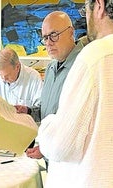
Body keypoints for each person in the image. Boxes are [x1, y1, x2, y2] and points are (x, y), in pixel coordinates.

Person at [38, 0, 113, 187]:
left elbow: (61, 145)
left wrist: (46, 125)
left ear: (99, 6)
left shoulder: (95, 56)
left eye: (84, 10)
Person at [25, 11, 88, 166]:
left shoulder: (83, 65)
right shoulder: (51, 67)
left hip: (71, 161)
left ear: (71, 32)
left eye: (54, 34)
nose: (48, 42)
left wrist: (46, 148)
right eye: (45, 37)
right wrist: (28, 111)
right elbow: (49, 110)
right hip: (51, 155)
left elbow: (78, 124)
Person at [0, 48, 43, 147]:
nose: (3, 79)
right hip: (1, 132)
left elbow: (40, 110)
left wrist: (27, 110)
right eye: (1, 75)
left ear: (17, 66)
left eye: (7, 76)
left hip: (24, 136)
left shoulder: (33, 77)